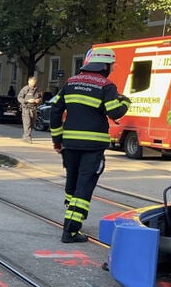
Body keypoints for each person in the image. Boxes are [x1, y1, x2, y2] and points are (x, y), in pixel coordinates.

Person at [50, 47, 130, 243]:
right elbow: (115, 112)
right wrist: (126, 102)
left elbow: (55, 111)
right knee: (84, 187)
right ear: (105, 65)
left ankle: (71, 215)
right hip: (93, 146)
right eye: (111, 65)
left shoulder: (71, 82)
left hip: (70, 144)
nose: (111, 69)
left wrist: (57, 140)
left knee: (73, 183)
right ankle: (70, 230)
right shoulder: (106, 85)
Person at [17, 76, 42, 143]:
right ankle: (27, 138)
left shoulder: (37, 89)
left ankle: (25, 136)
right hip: (26, 108)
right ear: (29, 81)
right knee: (27, 123)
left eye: (34, 82)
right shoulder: (25, 89)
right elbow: (19, 98)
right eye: (32, 82)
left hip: (34, 108)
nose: (33, 83)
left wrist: (38, 100)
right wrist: (27, 101)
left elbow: (40, 97)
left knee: (32, 123)